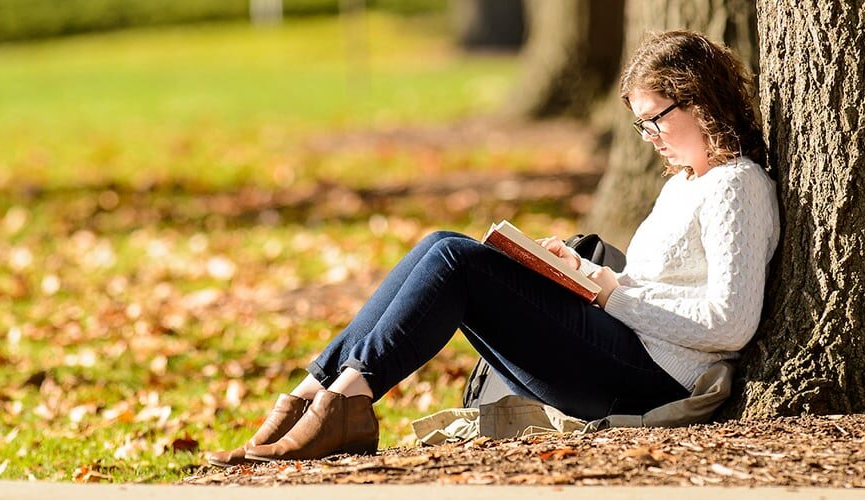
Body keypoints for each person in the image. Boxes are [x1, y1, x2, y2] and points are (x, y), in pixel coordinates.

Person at [206, 30, 779, 465]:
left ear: (700, 102)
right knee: (441, 243)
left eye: (655, 119)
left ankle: (347, 406)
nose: (650, 137)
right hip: (625, 345)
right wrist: (579, 273)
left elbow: (731, 324)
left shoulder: (737, 185)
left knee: (458, 264)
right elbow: (662, 287)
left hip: (655, 375)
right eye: (640, 125)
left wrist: (612, 297)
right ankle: (313, 397)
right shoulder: (685, 183)